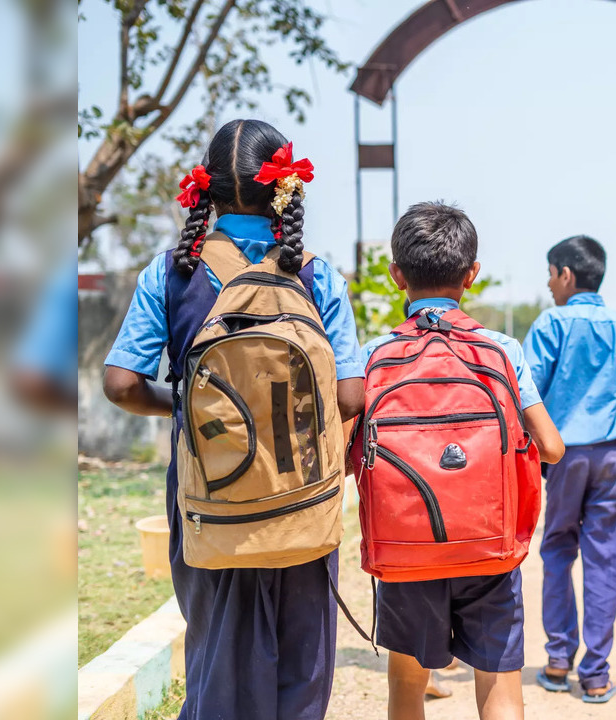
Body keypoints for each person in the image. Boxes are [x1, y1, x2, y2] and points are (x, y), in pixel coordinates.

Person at [102, 119, 365, 719]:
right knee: (302, 667)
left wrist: (191, 408)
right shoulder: (315, 274)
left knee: (217, 660)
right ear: (286, 191)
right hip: (301, 498)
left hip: (207, 498)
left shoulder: (171, 272)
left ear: (207, 188)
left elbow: (120, 384)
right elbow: (350, 398)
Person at [359, 201, 565, 720]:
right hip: (489, 548)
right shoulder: (502, 350)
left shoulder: (373, 355)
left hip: (404, 553)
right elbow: (553, 447)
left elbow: (345, 457)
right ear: (472, 275)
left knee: (407, 688)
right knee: (499, 685)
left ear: (395, 275)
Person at [523, 235, 616, 703]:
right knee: (606, 559)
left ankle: (559, 661)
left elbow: (527, 397)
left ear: (567, 275)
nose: (548, 283)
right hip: (612, 457)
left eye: (550, 273)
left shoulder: (549, 325)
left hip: (563, 458)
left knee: (558, 550)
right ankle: (596, 673)